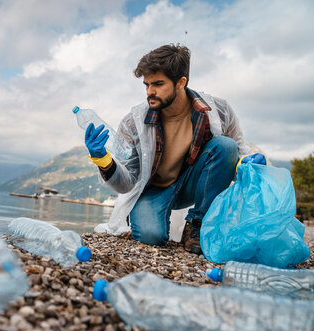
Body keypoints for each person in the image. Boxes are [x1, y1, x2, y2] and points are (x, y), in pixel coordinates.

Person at [84, 44, 265, 254]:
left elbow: (237, 152)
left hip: (194, 184)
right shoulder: (134, 123)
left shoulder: (219, 111)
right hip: (154, 190)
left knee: (225, 146)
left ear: (181, 82)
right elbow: (127, 183)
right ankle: (152, 218)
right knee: (151, 236)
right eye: (147, 84)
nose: (150, 92)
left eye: (158, 84)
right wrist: (102, 159)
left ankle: (197, 225)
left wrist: (246, 162)